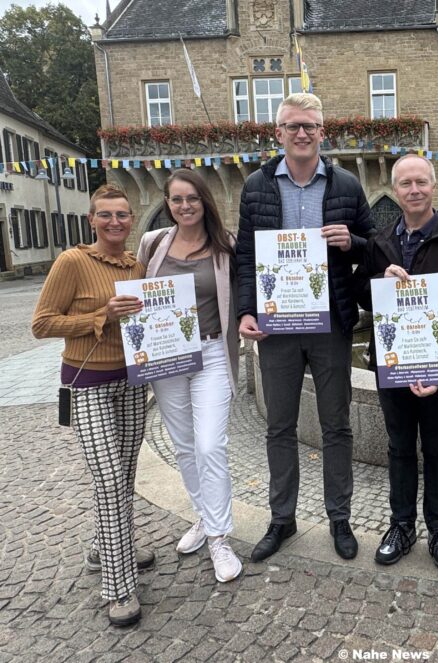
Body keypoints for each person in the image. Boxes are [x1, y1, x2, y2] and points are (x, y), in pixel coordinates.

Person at [237, 93, 373, 562]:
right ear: (278, 133)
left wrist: (351, 241)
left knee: (336, 424)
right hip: (276, 326)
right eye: (293, 125)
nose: (301, 133)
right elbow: (246, 257)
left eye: (310, 126)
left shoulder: (346, 185)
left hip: (329, 324)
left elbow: (373, 248)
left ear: (322, 132)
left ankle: (339, 517)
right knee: (280, 426)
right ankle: (282, 518)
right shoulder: (255, 185)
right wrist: (245, 312)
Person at [32, 184, 151, 626]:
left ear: (131, 220)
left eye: (122, 214)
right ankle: (119, 589)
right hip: (87, 383)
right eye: (106, 215)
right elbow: (42, 324)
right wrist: (102, 315)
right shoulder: (72, 262)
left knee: (126, 474)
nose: (115, 222)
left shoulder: (136, 264)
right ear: (92, 219)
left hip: (132, 382)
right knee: (108, 479)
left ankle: (107, 547)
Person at [355, 154, 438, 568]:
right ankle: (401, 525)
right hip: (393, 365)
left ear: (432, 185)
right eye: (405, 184)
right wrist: (379, 283)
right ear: (395, 189)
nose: (413, 190)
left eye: (420, 182)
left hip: (437, 370)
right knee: (399, 448)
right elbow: (361, 296)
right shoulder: (379, 242)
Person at [137, 169, 242, 583]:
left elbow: (246, 293)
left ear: (205, 200)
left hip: (212, 350)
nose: (184, 206)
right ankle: (203, 516)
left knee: (210, 443)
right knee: (183, 445)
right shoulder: (152, 244)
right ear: (168, 203)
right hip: (167, 356)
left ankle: (219, 536)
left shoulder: (226, 245)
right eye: (177, 199)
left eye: (192, 198)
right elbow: (136, 292)